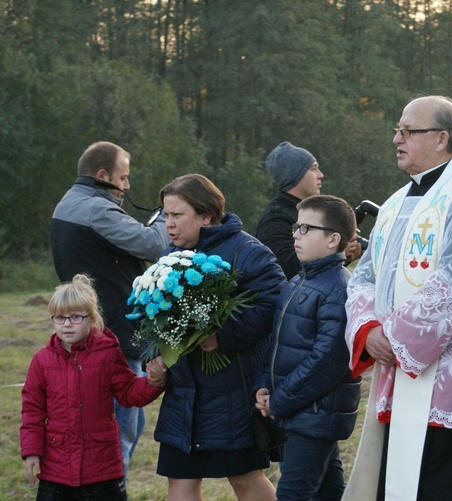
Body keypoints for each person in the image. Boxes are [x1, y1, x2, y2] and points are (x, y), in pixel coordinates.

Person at [343, 95, 452, 501]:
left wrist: (395, 340)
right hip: (402, 373)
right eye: (397, 130)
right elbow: (363, 279)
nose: (396, 139)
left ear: (442, 138)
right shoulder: (392, 204)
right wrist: (368, 328)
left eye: (408, 131)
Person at [154, 174, 286, 501]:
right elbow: (152, 313)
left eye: (176, 215)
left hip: (232, 391)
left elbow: (273, 307)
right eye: (165, 215)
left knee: (244, 477)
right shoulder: (169, 256)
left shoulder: (248, 251)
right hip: (184, 394)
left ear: (207, 217)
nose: (168, 224)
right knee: (181, 481)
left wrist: (221, 337)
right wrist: (153, 355)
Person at [51, 141, 170, 479]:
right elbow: (154, 244)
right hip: (114, 333)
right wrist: (165, 215)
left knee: (119, 425)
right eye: (123, 178)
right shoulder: (95, 209)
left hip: (92, 330)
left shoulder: (69, 202)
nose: (127, 186)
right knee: (121, 430)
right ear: (103, 175)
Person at [20, 274, 167, 501]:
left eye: (76, 317)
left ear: (91, 318)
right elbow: (32, 410)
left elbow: (128, 392)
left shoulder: (108, 353)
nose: (67, 324)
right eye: (59, 318)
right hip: (56, 469)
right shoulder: (42, 361)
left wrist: (153, 382)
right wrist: (31, 451)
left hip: (101, 468)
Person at [255, 194, 362, 500]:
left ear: (333, 240)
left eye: (306, 229)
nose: (296, 236)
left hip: (316, 415)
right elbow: (277, 345)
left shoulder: (339, 289)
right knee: (328, 492)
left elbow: (327, 362)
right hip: (298, 412)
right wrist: (263, 386)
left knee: (293, 493)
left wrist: (280, 401)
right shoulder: (296, 283)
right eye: (295, 228)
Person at [256, 141, 362, 279]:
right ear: (295, 175)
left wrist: (343, 257)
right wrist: (336, 253)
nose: (320, 175)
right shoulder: (275, 220)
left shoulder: (303, 212)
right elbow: (285, 271)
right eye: (313, 169)